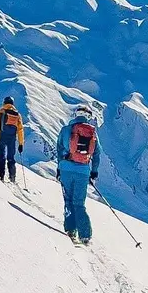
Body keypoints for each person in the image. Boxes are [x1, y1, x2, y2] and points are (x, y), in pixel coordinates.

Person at [56, 104, 101, 244]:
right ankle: (85, 235)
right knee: (79, 203)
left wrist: (59, 168)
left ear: (75, 115)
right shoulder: (92, 133)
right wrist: (93, 172)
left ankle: (71, 230)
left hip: (66, 169)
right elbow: (97, 154)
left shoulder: (65, 130)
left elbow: (59, 149)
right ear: (88, 117)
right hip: (83, 171)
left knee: (68, 201)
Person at [0, 96, 25, 182]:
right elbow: (20, 129)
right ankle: (12, 177)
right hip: (12, 138)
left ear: (4, 103)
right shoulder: (17, 114)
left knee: (1, 156)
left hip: (2, 136)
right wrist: (21, 143)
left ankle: (1, 176)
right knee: (11, 157)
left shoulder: (0, 112)